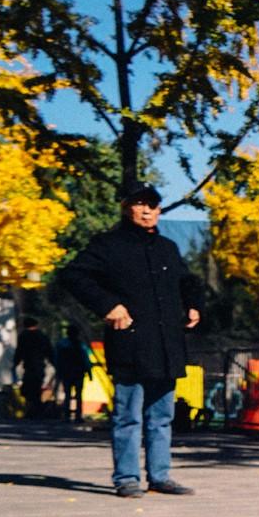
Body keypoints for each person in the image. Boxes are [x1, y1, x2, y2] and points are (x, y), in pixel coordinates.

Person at [57, 185, 203, 497]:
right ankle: (126, 478)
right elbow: (73, 275)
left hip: (166, 346)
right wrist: (107, 305)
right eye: (140, 204)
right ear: (127, 208)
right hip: (130, 345)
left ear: (160, 210)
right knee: (128, 415)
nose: (147, 210)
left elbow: (187, 280)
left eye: (153, 205)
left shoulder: (167, 247)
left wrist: (193, 304)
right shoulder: (108, 245)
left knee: (162, 416)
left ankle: (160, 475)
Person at [15, 317, 53, 418]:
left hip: (28, 366)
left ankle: (31, 410)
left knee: (28, 389)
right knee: (37, 388)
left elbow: (19, 351)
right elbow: (49, 351)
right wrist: (53, 362)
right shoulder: (42, 336)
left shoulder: (23, 336)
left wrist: (15, 362)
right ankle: (37, 410)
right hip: (40, 366)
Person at [54, 322, 90, 420]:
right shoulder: (81, 344)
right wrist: (89, 372)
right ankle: (78, 415)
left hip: (66, 372)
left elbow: (57, 359)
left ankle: (67, 415)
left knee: (68, 394)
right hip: (78, 372)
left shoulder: (62, 344)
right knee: (78, 395)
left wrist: (58, 371)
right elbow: (86, 359)